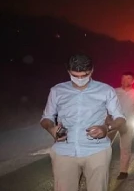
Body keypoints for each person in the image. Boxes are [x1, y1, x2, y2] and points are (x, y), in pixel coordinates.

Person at [40, 54, 126, 191]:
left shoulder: (105, 91)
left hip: (97, 151)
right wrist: (51, 128)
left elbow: (120, 118)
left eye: (84, 75)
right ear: (68, 72)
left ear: (92, 71)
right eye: (75, 75)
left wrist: (106, 128)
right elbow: (46, 118)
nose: (80, 79)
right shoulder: (57, 91)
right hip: (64, 151)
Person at [107, 71, 134, 180]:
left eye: (128, 78)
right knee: (104, 145)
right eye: (123, 78)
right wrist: (108, 119)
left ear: (133, 81)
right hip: (113, 122)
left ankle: (123, 171)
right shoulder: (115, 91)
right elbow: (107, 105)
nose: (124, 80)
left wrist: (133, 120)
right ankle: (101, 167)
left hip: (127, 123)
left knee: (125, 147)